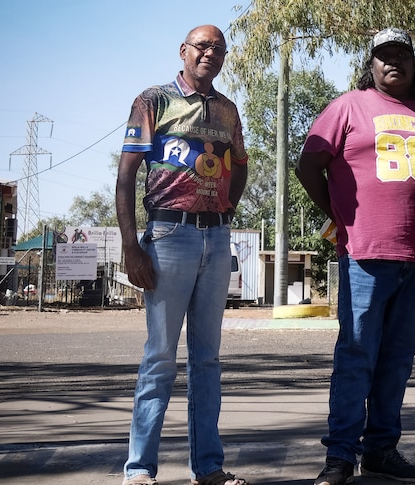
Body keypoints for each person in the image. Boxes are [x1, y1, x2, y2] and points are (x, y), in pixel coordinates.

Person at [296, 27, 415, 485]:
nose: (394, 63)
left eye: (402, 55)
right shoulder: (348, 106)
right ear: (370, 66)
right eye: (383, 56)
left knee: (398, 356)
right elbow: (308, 164)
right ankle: (340, 457)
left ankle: (381, 450)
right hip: (364, 252)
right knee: (357, 353)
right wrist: (341, 211)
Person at [115, 25, 249, 485]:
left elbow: (240, 168)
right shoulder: (153, 101)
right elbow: (126, 175)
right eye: (202, 46)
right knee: (159, 357)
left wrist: (225, 208)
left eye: (219, 48)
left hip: (216, 237)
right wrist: (132, 245)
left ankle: (209, 468)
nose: (210, 53)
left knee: (207, 359)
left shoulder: (228, 110)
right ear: (184, 51)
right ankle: (139, 470)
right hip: (168, 233)